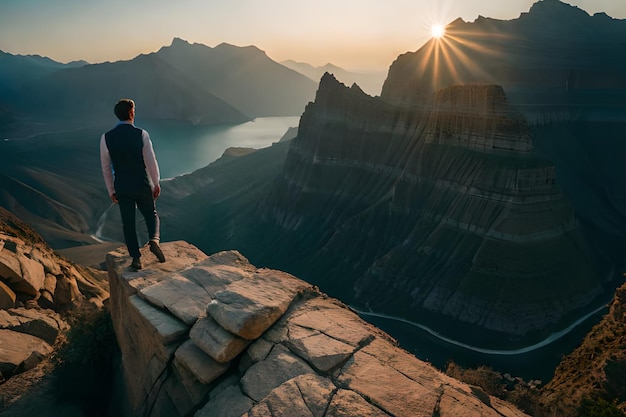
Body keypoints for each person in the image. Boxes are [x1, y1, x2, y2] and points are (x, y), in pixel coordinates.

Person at [100, 98, 166, 269]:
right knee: (151, 214)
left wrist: (111, 191)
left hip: (122, 186)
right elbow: (151, 161)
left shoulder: (106, 137)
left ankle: (136, 258)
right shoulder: (141, 134)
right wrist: (156, 183)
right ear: (131, 113)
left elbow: (106, 168)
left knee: (128, 223)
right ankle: (154, 240)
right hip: (141, 183)